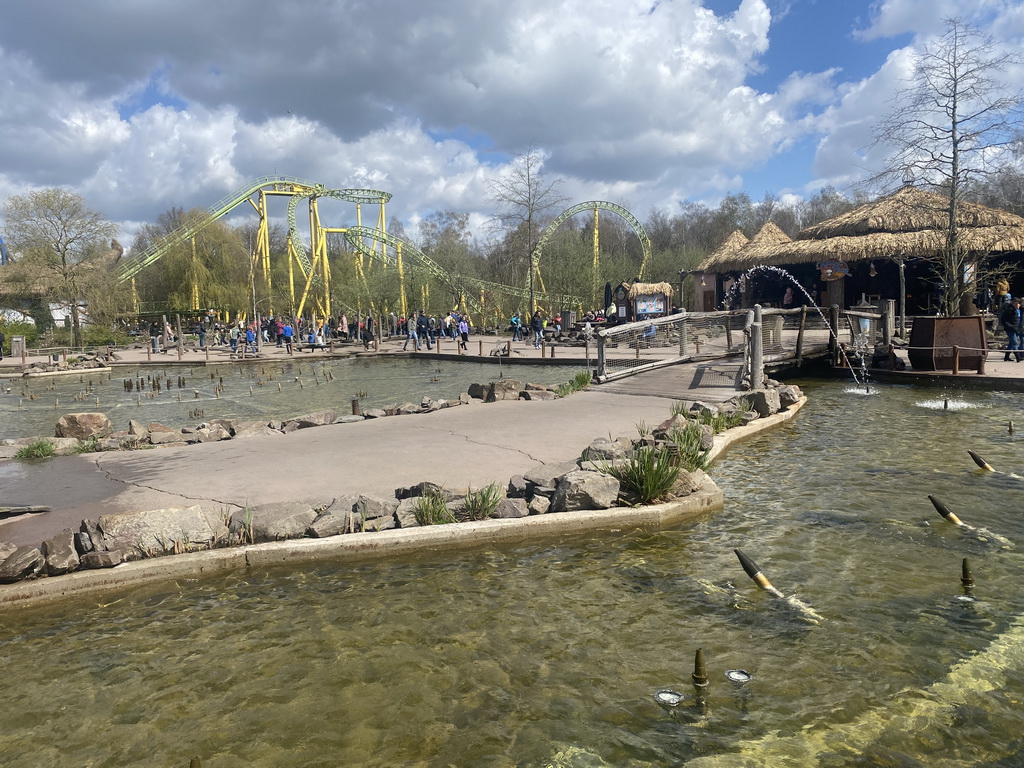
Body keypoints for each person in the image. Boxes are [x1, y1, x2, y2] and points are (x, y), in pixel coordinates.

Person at [1000, 297, 1023, 362]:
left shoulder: (1019, 310)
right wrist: (1010, 326)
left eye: (1018, 304)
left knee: (1011, 343)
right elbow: (1003, 320)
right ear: (1013, 303)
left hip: (1016, 328)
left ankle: (1006, 356)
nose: (1017, 305)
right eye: (1015, 304)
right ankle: (1018, 357)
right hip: (1010, 329)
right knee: (1015, 342)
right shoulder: (1009, 310)